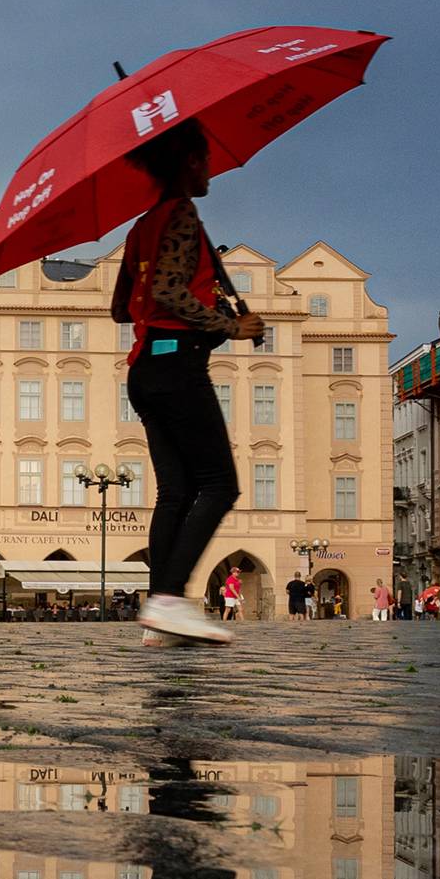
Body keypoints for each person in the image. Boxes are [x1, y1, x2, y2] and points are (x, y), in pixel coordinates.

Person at [114, 121, 265, 647]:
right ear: (183, 164)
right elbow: (169, 291)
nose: (208, 171)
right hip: (178, 365)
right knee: (220, 485)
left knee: (176, 493)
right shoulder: (180, 214)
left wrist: (210, 301)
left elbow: (121, 306)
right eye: (200, 161)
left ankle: (160, 618)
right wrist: (230, 323)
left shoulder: (140, 227)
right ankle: (171, 600)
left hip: (145, 368)